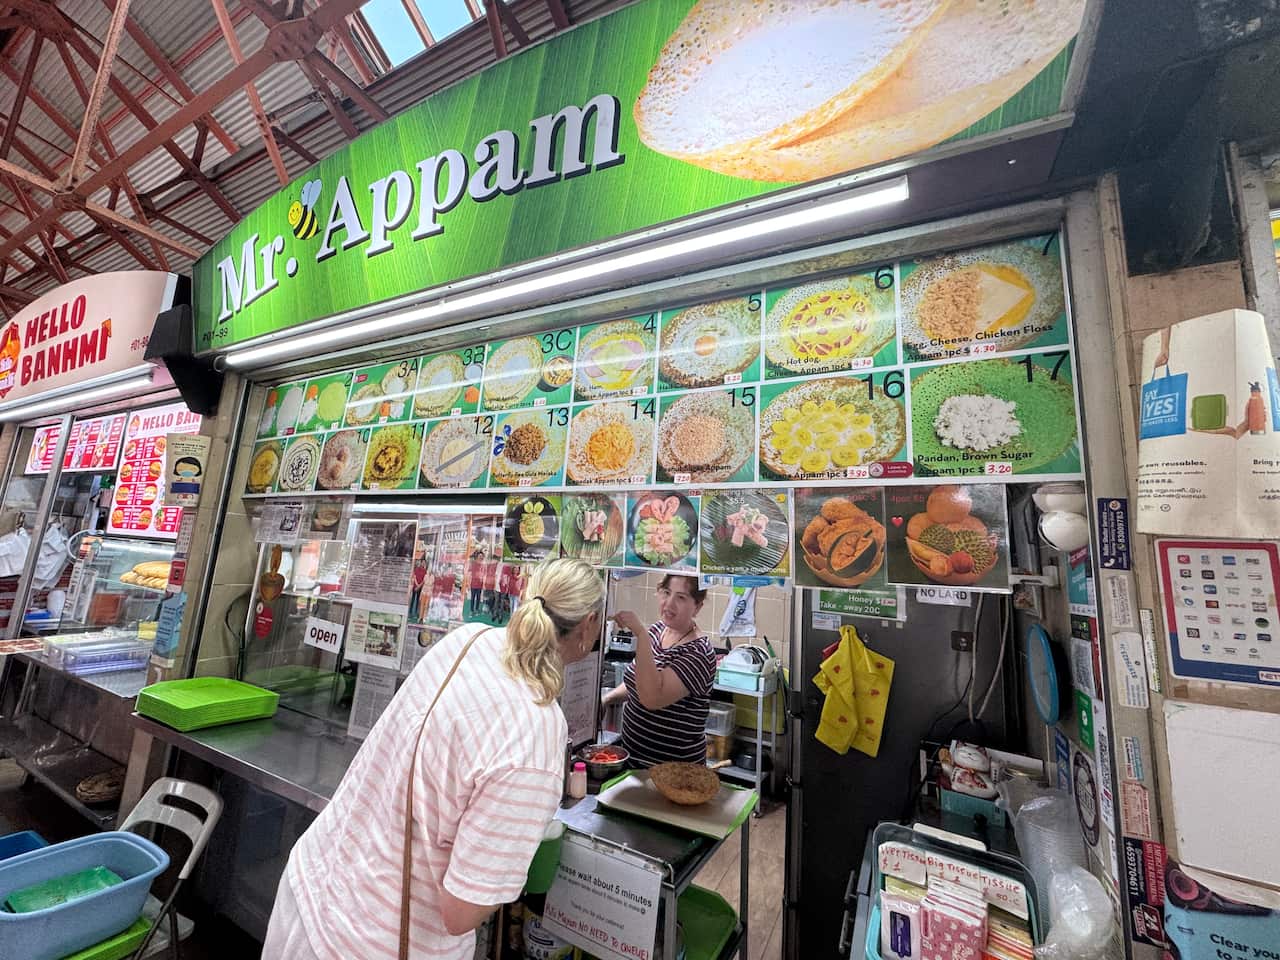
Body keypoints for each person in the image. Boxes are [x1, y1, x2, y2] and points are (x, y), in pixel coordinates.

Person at [263, 558, 605, 959]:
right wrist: (511, 863)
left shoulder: (469, 639)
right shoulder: (537, 731)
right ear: (588, 625)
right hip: (368, 942)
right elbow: (461, 912)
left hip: (312, 887)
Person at [603, 574, 717, 767]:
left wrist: (641, 634)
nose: (669, 604)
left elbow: (652, 698)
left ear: (697, 606)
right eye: (666, 592)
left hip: (675, 769)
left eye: (681, 597)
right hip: (635, 758)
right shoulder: (657, 631)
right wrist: (607, 699)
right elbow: (638, 681)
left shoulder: (699, 652)